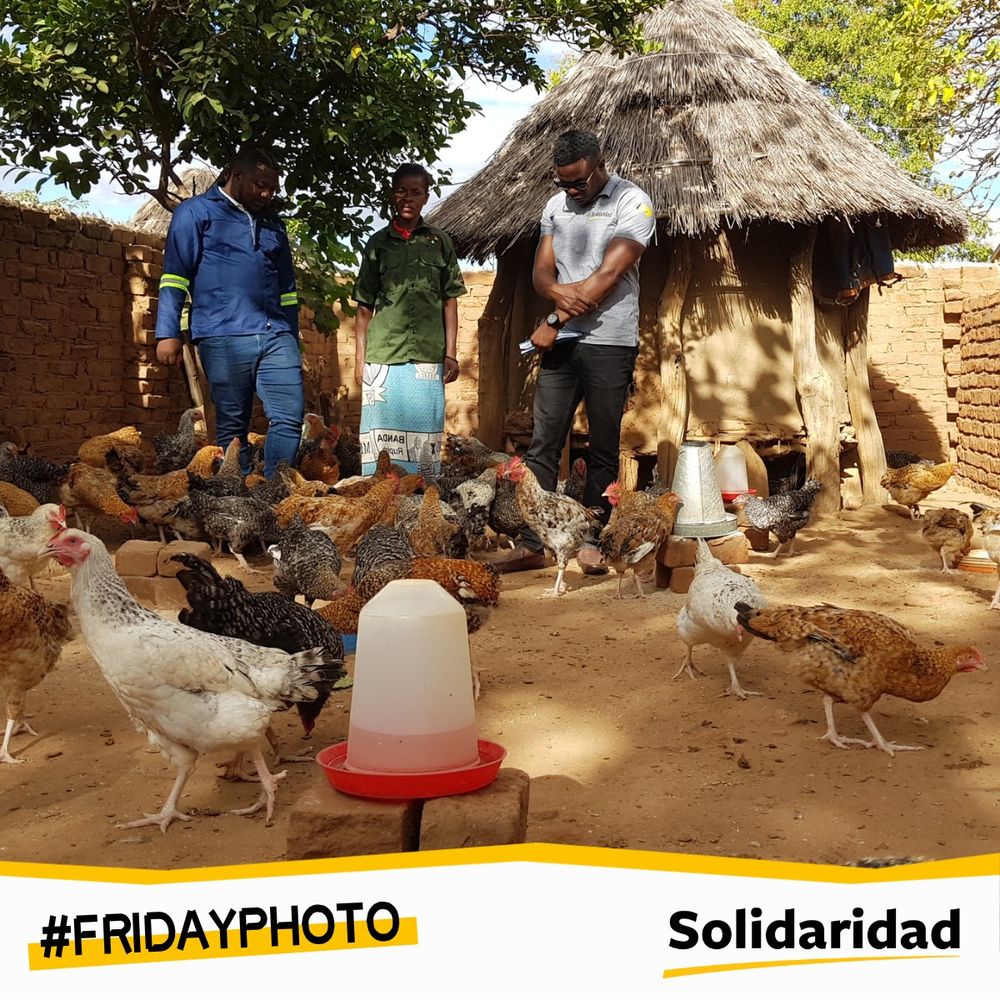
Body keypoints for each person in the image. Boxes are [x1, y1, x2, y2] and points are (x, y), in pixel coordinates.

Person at [494, 129, 656, 574]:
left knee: (602, 444)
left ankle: (594, 541)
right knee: (543, 443)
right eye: (562, 182)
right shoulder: (555, 206)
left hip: (610, 341)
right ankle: (534, 541)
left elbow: (608, 276)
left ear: (599, 164)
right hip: (563, 346)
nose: (570, 191)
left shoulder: (632, 202)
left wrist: (552, 319)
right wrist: (561, 298)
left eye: (578, 182)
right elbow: (541, 275)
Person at [155, 147, 304, 478]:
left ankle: (274, 487)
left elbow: (287, 290)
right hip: (222, 335)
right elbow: (175, 277)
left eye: (273, 189)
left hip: (276, 333)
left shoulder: (273, 225)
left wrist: (292, 338)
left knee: (289, 416)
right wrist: (167, 332)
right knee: (233, 426)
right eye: (260, 185)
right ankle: (235, 491)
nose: (267, 195)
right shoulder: (195, 213)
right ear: (236, 175)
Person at [352, 163, 466, 474]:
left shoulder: (440, 242)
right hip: (383, 358)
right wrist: (360, 359)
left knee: (424, 441)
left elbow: (450, 301)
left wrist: (450, 353)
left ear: (426, 197)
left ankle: (421, 495)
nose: (408, 198)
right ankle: (378, 495)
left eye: (416, 192)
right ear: (392, 195)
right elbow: (364, 307)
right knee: (380, 444)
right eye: (402, 191)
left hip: (427, 358)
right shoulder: (377, 244)